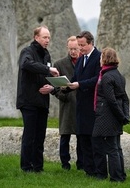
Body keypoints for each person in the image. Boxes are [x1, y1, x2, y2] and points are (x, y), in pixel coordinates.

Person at [16, 25, 59, 173]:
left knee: (40, 136)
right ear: (36, 37)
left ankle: (38, 168)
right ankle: (26, 167)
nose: (47, 40)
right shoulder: (27, 52)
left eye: (49, 38)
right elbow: (26, 65)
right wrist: (48, 69)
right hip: (28, 101)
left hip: (42, 101)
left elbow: (44, 76)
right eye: (45, 37)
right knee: (30, 136)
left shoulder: (47, 55)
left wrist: (51, 86)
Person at [66, 31, 101, 177]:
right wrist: (63, 85)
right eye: (79, 45)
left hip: (92, 106)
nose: (80, 48)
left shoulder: (99, 58)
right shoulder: (81, 60)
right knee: (83, 139)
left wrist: (79, 84)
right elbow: (75, 78)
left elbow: (96, 80)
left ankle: (98, 170)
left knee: (94, 141)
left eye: (83, 45)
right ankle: (88, 170)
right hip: (81, 106)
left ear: (91, 43)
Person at [92, 47, 130, 182]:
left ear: (105, 59)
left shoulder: (107, 77)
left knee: (111, 148)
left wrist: (121, 116)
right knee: (116, 147)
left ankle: (116, 177)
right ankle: (120, 175)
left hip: (107, 116)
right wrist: (125, 115)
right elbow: (125, 98)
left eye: (101, 57)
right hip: (115, 116)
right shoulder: (119, 75)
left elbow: (111, 100)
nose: (99, 60)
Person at [53, 36, 84, 170]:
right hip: (67, 104)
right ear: (67, 48)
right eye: (70, 49)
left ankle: (81, 163)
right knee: (65, 135)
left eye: (75, 49)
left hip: (82, 104)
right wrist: (63, 95)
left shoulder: (85, 62)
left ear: (80, 48)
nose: (73, 52)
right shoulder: (59, 64)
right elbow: (55, 86)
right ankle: (65, 163)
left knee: (81, 136)